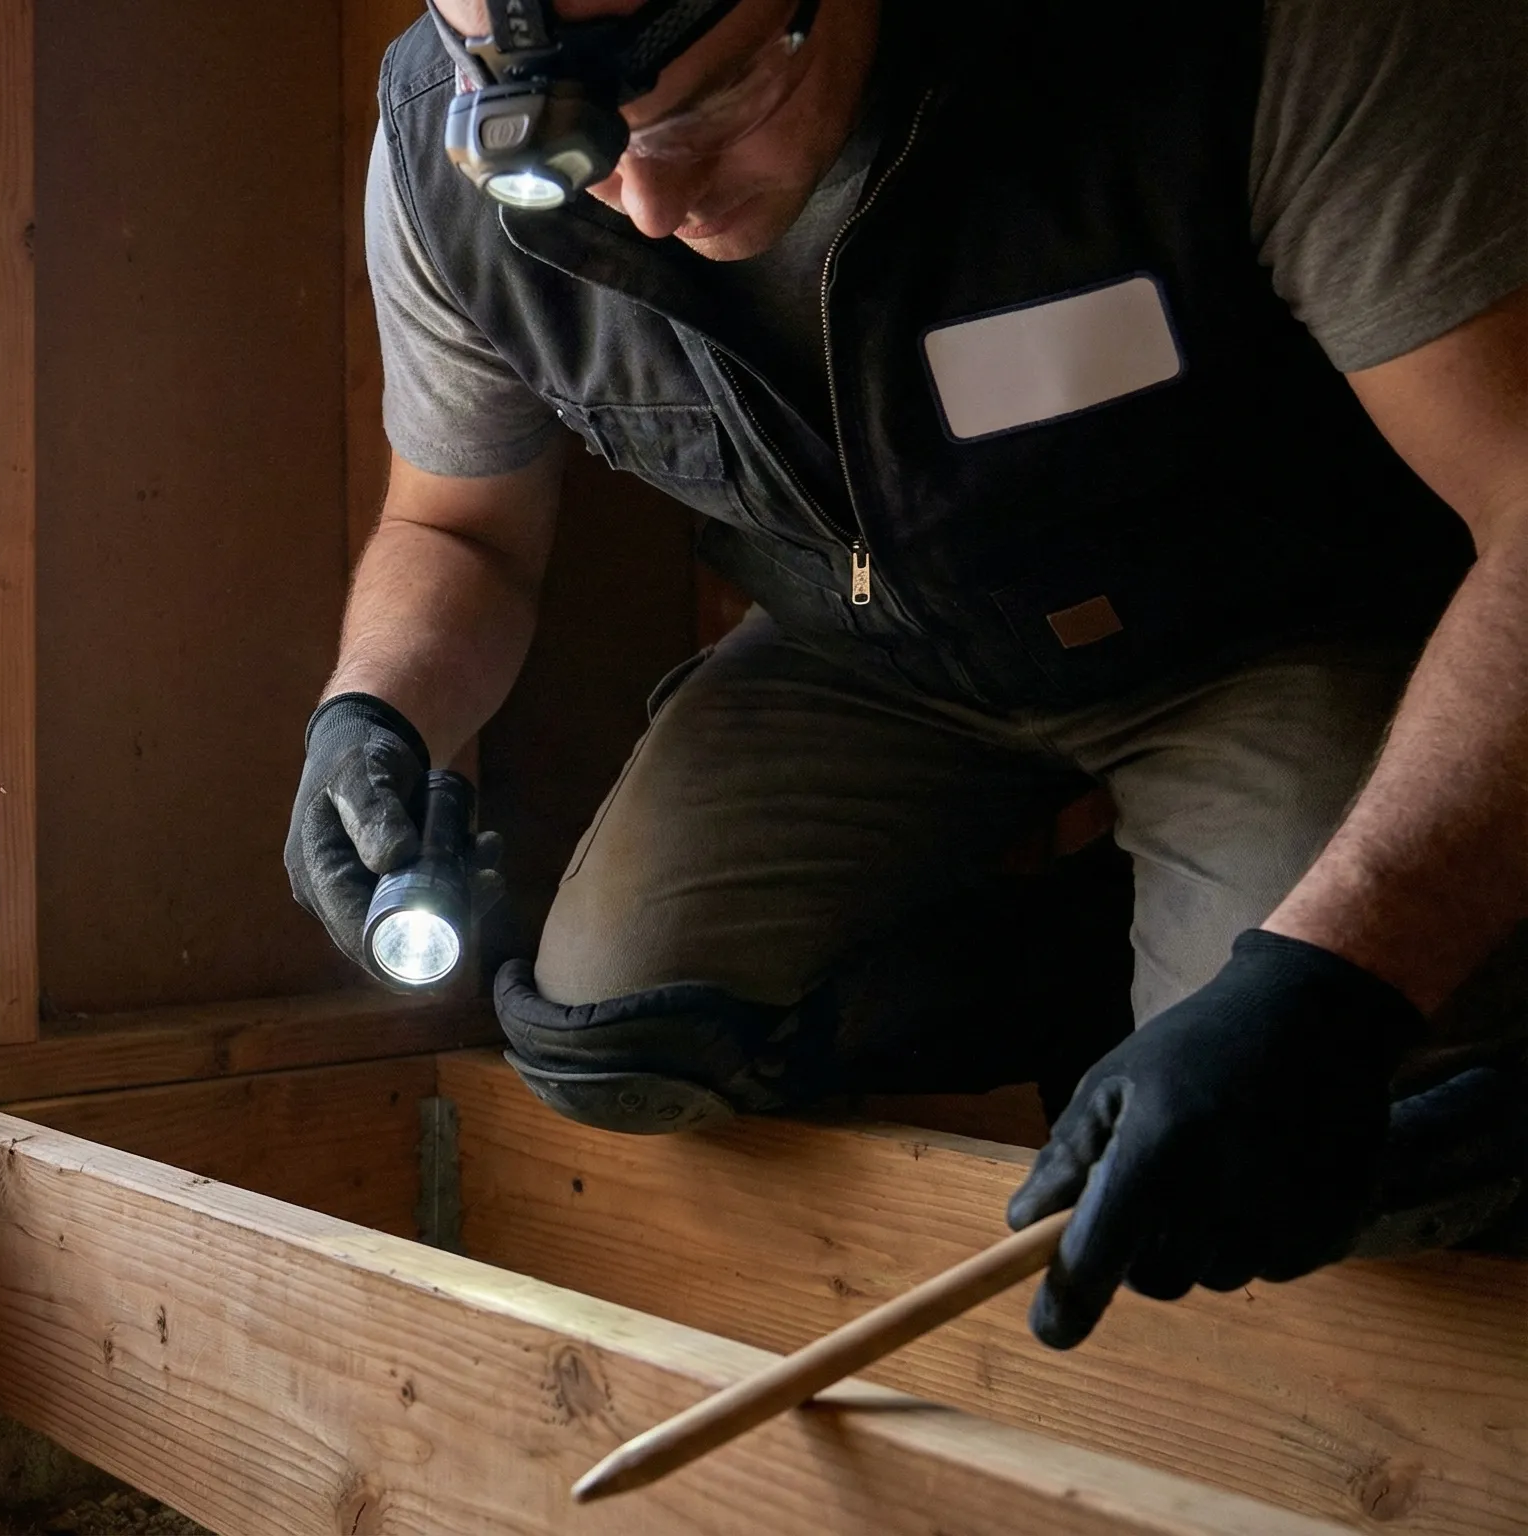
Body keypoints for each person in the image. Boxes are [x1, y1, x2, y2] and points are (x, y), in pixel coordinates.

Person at [285, 0, 1528, 1348]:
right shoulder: (434, 142)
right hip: (865, 655)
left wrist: (1329, 977)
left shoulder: (1257, 39)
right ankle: (1090, 954)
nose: (645, 207)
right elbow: (458, 528)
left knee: (1329, 1154)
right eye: (573, 158)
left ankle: (1262, 942)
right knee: (615, 1034)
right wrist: (378, 713)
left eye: (707, 110)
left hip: (1261, 631)